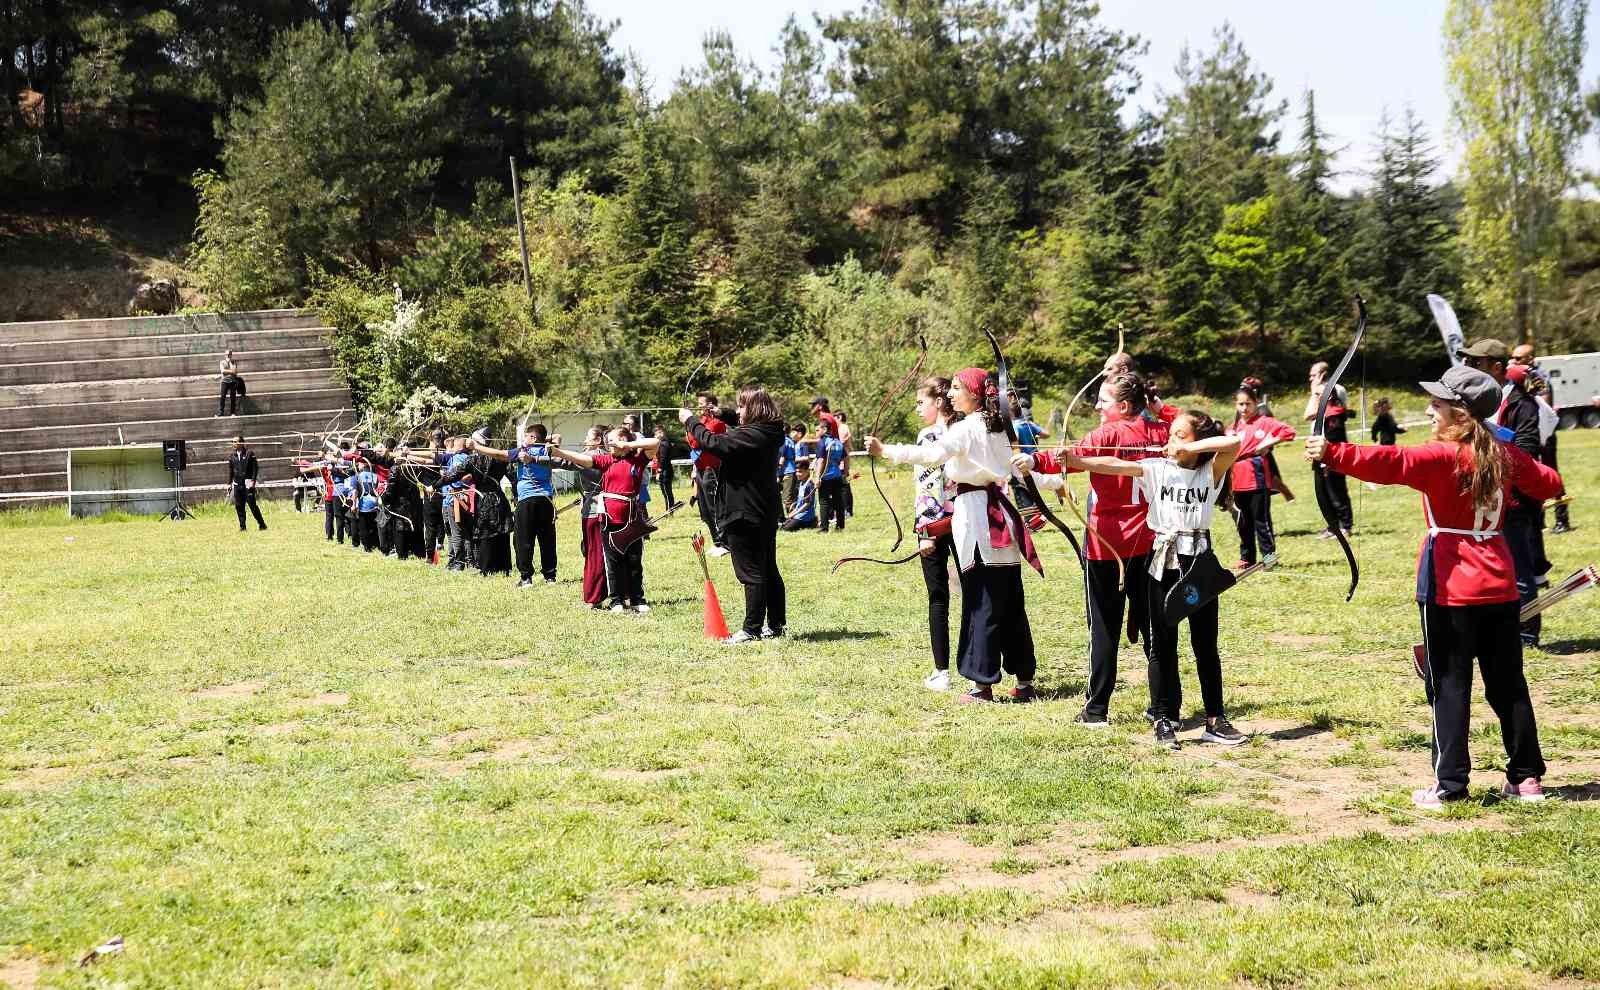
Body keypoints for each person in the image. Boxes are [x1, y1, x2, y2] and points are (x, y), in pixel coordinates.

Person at [1306, 365, 1562, 808]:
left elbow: (1391, 462)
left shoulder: (1444, 456)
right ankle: (1526, 779)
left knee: (1449, 683)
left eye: (1438, 406)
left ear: (1461, 416)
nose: (1429, 411)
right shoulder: (1503, 454)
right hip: (1499, 583)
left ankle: (1450, 785)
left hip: (1450, 585)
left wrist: (1331, 452)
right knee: (1508, 685)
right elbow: (1550, 482)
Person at [1032, 409, 1246, 749]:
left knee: (1206, 645)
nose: (1170, 441)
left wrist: (1190, 450)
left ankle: (1215, 719)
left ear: (1198, 441)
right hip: (1164, 563)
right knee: (1162, 645)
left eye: (1180, 435)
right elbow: (1114, 465)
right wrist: (1078, 460)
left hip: (1200, 562)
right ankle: (1163, 720)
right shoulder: (1156, 468)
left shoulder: (1211, 470)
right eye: (1170, 435)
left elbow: (1234, 441)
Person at [867, 367, 1041, 704]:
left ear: (975, 394)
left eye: (957, 388)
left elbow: (931, 455)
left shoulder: (968, 427)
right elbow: (1014, 471)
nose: (950, 394)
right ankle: (1024, 680)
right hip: (1000, 518)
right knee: (1010, 601)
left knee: (982, 602)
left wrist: (885, 449)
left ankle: (982, 685)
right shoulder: (998, 428)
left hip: (978, 518)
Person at [1016, 372, 1169, 725]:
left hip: (1107, 545)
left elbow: (1070, 456)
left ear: (1125, 405)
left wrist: (1034, 461)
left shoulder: (1109, 433)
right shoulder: (1162, 432)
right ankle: (1163, 708)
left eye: (1104, 399)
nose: (1098, 405)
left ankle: (1096, 709)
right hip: (1151, 541)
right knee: (1153, 629)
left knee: (1103, 626)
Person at [680, 386, 787, 643]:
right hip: (761, 510)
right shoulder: (770, 431)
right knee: (767, 569)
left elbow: (714, 444)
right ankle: (775, 625)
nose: (737, 411)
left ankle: (752, 630)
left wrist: (690, 421)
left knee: (750, 572)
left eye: (741, 407)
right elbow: (735, 425)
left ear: (753, 409)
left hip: (745, 512)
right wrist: (720, 413)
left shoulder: (752, 435)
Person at [1461, 338, 1543, 646]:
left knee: (1518, 569)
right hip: (1483, 499)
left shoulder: (1521, 404)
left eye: (1476, 363)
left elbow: (1527, 448)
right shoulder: (1477, 401)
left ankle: (1525, 633)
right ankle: (1496, 631)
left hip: (1514, 502)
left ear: (1496, 368)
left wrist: (1494, 444)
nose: (1469, 368)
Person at [548, 427, 660, 612]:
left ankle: (637, 599)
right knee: (613, 561)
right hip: (609, 517)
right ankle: (616, 600)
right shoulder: (607, 460)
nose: (608, 444)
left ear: (623, 439)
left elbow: (655, 443)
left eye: (612, 440)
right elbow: (582, 459)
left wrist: (628, 444)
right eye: (607, 441)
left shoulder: (638, 460)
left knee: (634, 560)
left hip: (632, 516)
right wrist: (557, 451)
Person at [905, 376, 961, 691]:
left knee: (938, 596)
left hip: (937, 524)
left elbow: (929, 484)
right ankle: (977, 665)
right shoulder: (966, 430)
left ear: (938, 402)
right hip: (966, 520)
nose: (918, 409)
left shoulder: (930, 435)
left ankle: (942, 671)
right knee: (975, 593)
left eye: (921, 402)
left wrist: (926, 530)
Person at [475, 424, 558, 586]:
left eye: (527, 436)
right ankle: (550, 576)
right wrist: (541, 441)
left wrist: (477, 447)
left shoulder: (523, 452)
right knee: (546, 538)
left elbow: (499, 454)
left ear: (533, 438)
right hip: (546, 500)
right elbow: (557, 438)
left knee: (523, 539)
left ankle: (526, 577)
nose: (523, 438)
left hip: (527, 500)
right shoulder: (548, 450)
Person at [1227, 381, 1296, 568]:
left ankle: (1269, 560)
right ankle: (1247, 559)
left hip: (1257, 479)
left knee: (1261, 522)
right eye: (1240, 404)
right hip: (1237, 480)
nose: (1243, 408)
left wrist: (1268, 443)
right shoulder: (1233, 427)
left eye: (1247, 403)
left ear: (1255, 403)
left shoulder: (1264, 422)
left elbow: (1289, 432)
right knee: (1243, 522)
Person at [1512, 342, 1571, 534]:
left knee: (1551, 474)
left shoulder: (1539, 377)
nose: (1514, 361)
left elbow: (1543, 406)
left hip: (1544, 435)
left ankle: (1562, 520)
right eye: (1513, 357)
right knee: (1534, 475)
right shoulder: (1519, 377)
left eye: (1518, 358)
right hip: (1531, 434)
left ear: (1530, 359)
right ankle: (1539, 520)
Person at [1305, 361, 1354, 538]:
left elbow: (1332, 412)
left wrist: (1316, 393)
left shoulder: (1335, 389)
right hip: (1318, 448)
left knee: (1336, 489)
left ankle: (1345, 525)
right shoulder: (1315, 392)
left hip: (1332, 446)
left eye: (1313, 374)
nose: (1310, 378)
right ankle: (1332, 525)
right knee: (1323, 491)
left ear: (1323, 374)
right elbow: (1309, 415)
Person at [456, 429, 513, 577]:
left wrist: (435, 485)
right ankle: (503, 567)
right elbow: (513, 477)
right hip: (499, 499)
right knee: (500, 533)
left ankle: (488, 568)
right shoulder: (497, 458)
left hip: (483, 500)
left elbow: (452, 475)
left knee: (486, 533)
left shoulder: (473, 460)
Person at [687, 392, 729, 555]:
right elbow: (691, 439)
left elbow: (698, 440)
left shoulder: (716, 422)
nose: (698, 406)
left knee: (714, 506)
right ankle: (717, 541)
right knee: (704, 508)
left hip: (712, 468)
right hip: (700, 467)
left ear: (710, 405)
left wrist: (692, 428)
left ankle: (725, 543)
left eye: (701, 403)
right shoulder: (701, 422)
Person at [575, 426, 609, 608]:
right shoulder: (612, 456)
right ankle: (619, 594)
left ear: (597, 441)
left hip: (595, 511)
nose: (585, 440)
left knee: (594, 553)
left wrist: (537, 457)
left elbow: (561, 461)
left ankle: (595, 596)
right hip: (609, 508)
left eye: (588, 438)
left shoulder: (592, 457)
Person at [228, 434, 267, 531]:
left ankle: (262, 524)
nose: (234, 443)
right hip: (237, 484)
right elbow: (231, 471)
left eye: (236, 441)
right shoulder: (232, 456)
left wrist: (253, 481)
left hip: (248, 483)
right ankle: (242, 527)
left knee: (252, 505)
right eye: (233, 442)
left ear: (242, 443)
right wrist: (229, 483)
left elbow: (255, 468)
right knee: (239, 506)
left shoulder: (250, 453)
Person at [814, 422, 848, 533]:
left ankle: (824, 528)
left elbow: (821, 460)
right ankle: (840, 526)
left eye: (817, 430)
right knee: (838, 501)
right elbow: (846, 457)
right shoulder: (838, 442)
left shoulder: (822, 442)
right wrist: (845, 473)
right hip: (837, 476)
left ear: (824, 429)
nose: (816, 432)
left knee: (824, 502)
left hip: (826, 477)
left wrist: (817, 477)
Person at [352, 458, 381, 551]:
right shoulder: (375, 476)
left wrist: (354, 504)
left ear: (364, 465)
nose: (358, 465)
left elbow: (355, 492)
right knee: (373, 525)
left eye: (359, 463)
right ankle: (375, 543)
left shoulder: (358, 476)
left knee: (363, 526)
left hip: (363, 504)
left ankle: (367, 546)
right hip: (374, 503)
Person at [781, 465, 818, 531]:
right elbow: (799, 503)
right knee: (782, 526)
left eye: (800, 472)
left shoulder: (809, 485)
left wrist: (794, 513)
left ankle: (811, 522)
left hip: (805, 516)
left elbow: (807, 504)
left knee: (786, 529)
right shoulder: (800, 483)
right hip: (799, 514)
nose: (797, 474)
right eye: (797, 472)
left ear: (807, 472)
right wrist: (792, 513)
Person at [652, 425, 680, 509]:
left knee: (666, 492)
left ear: (660, 433)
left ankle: (669, 510)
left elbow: (663, 459)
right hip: (667, 470)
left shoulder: (663, 444)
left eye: (656, 434)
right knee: (667, 491)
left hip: (665, 471)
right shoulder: (666, 442)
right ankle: (670, 508)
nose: (655, 436)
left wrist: (659, 471)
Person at [778, 424, 801, 514]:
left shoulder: (783, 441)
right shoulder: (790, 441)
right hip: (792, 469)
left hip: (786, 470)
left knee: (787, 498)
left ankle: (791, 517)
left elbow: (782, 457)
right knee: (791, 495)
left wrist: (778, 466)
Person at [217, 350, 245, 417]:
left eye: (229, 354)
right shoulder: (222, 362)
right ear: (225, 355)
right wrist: (231, 371)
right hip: (224, 381)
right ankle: (221, 412)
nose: (228, 355)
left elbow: (235, 371)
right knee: (222, 397)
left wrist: (229, 368)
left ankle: (232, 413)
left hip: (232, 382)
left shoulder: (234, 362)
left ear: (231, 355)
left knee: (233, 398)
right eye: (227, 354)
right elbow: (223, 371)